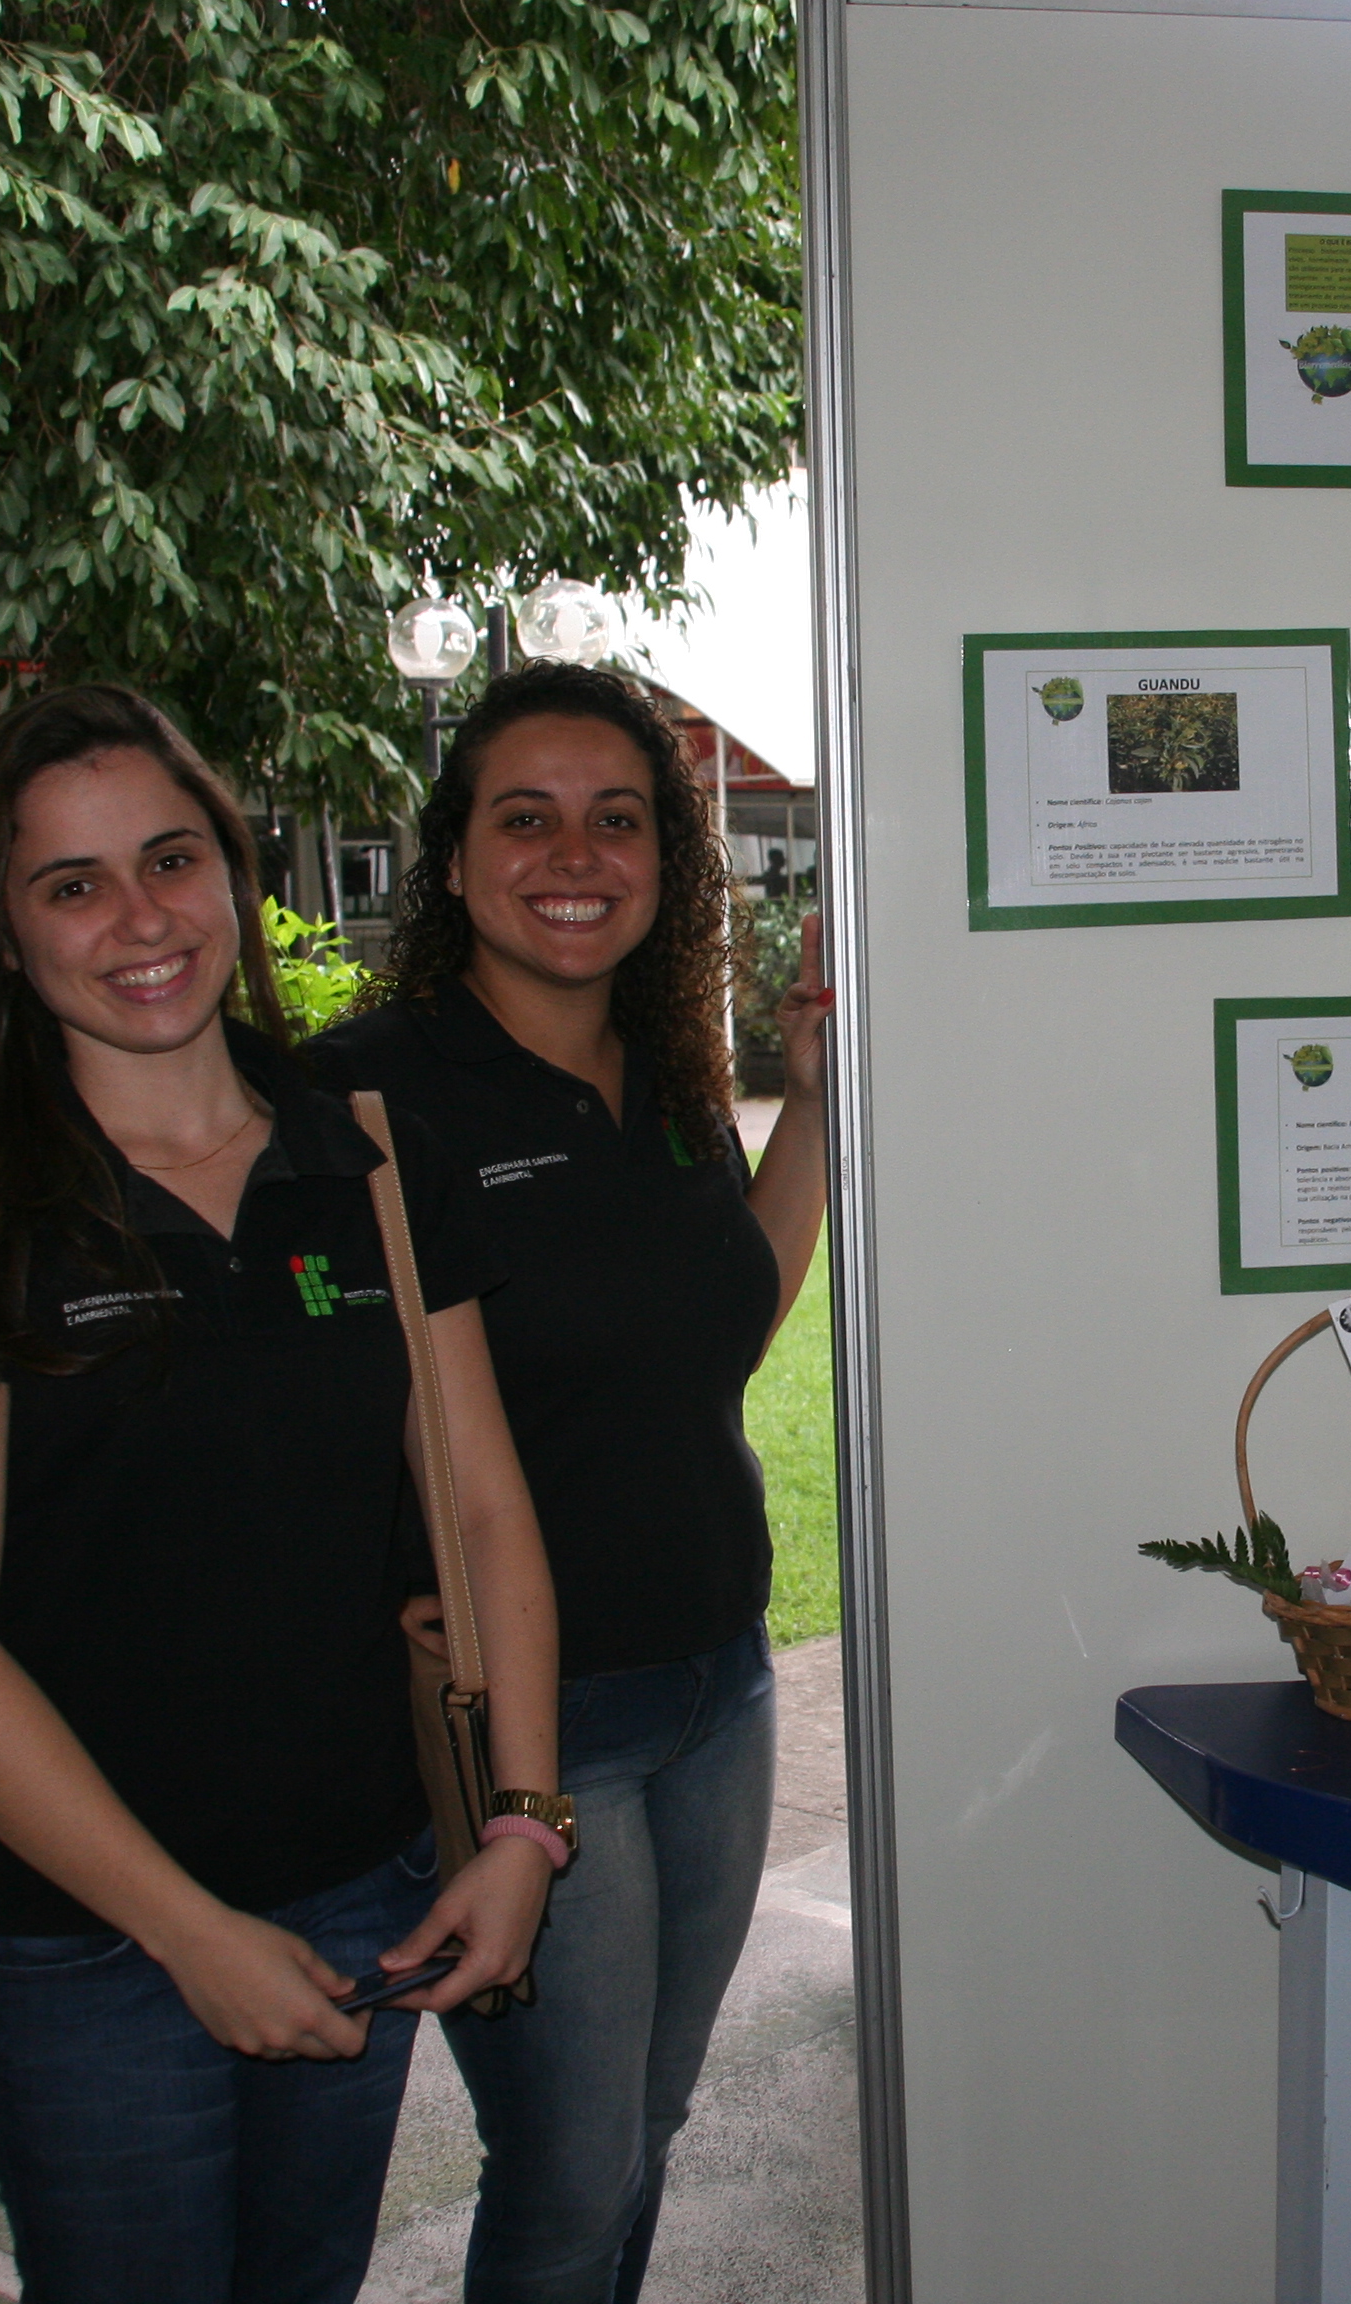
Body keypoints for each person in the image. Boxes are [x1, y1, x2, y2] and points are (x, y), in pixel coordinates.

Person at [0, 684, 572, 2304]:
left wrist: (523, 1822)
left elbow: (488, 1512)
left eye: (170, 860)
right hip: (85, 1950)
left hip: (362, 1896)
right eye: (71, 885)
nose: (141, 920)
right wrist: (185, 1930)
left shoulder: (370, 1163)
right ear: (3, 932)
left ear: (234, 870)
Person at [307, 661, 829, 2304]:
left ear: (669, 860)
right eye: (525, 820)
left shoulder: (665, 1074)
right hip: (537, 1717)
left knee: (650, 2129)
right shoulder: (362, 1094)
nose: (575, 856)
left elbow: (719, 1324)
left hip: (718, 1680)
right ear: (455, 857)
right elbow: (299, 1406)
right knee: (570, 2169)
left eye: (617, 820)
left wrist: (812, 1110)